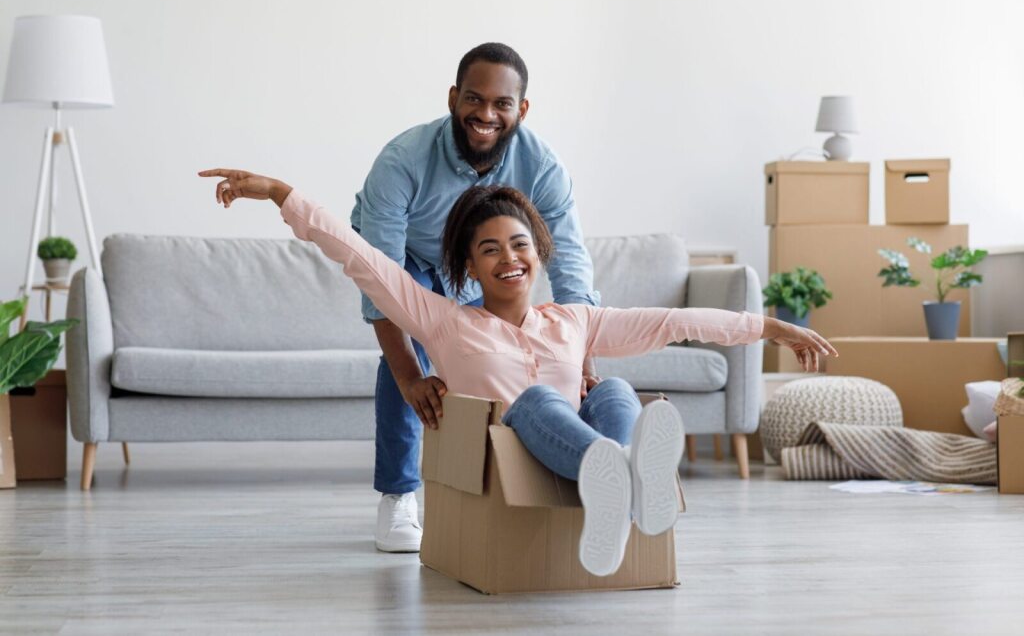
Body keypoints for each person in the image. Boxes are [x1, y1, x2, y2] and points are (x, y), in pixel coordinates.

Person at [198, 169, 838, 576]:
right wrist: (284, 195)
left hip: (572, 456)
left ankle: (615, 480)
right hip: (510, 453)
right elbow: (363, 260)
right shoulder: (445, 321)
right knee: (534, 402)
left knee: (613, 386)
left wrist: (767, 326)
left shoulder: (574, 320)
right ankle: (620, 477)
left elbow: (671, 322)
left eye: (521, 245)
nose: (509, 258)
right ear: (470, 267)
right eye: (490, 249)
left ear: (539, 254)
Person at [348, 42, 599, 552]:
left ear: (521, 110)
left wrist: (584, 360)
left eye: (501, 104)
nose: (486, 114)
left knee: (528, 346)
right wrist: (409, 378)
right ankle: (399, 496)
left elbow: (570, 265)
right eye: (474, 99)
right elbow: (381, 278)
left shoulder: (543, 167)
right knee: (414, 348)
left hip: (478, 263)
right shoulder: (402, 160)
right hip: (411, 260)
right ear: (452, 98)